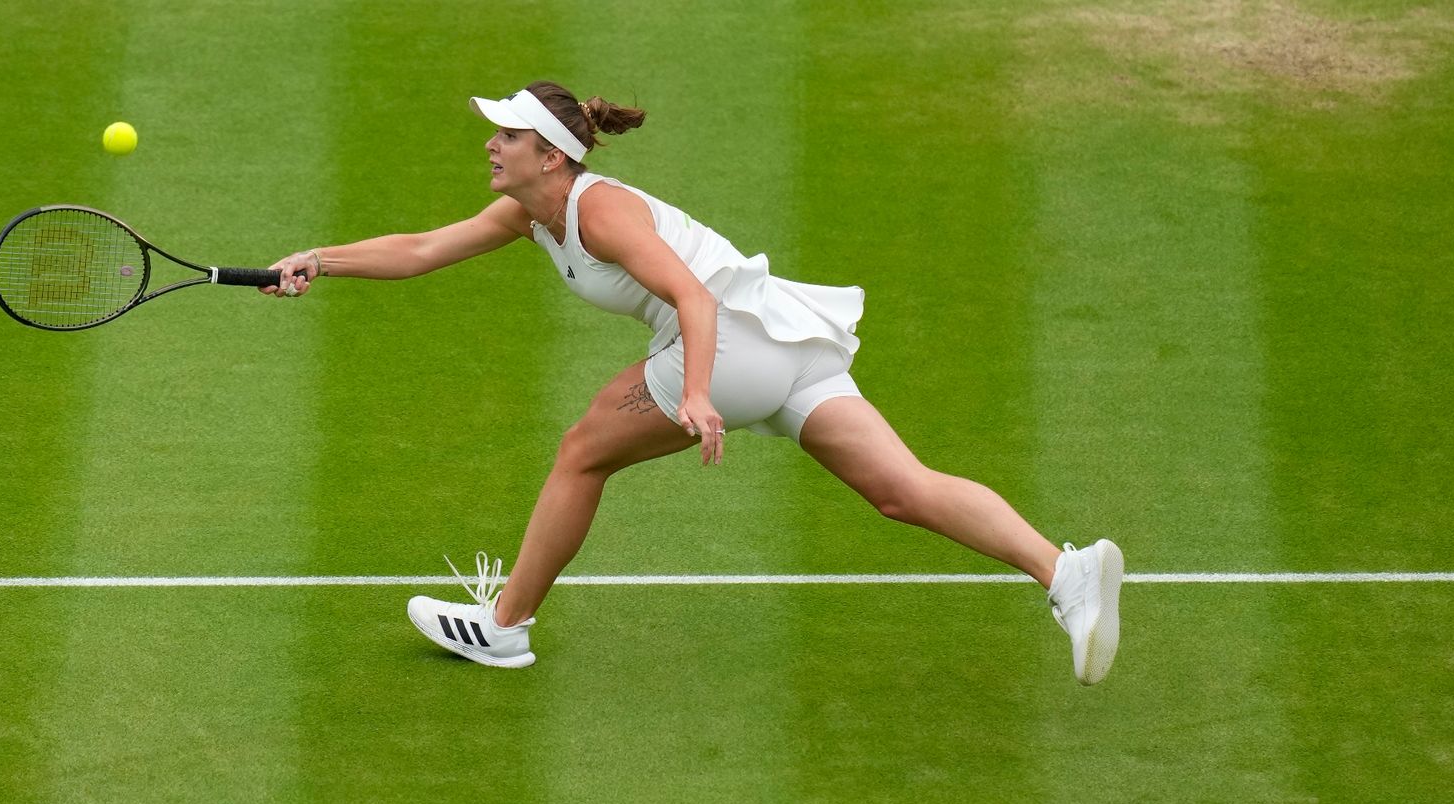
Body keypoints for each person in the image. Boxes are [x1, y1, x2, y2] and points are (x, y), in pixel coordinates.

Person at [266, 81, 1123, 685]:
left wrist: (701, 394)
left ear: (552, 156)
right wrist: (318, 261)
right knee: (901, 489)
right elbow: (420, 250)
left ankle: (505, 628)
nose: (490, 143)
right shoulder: (531, 212)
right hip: (785, 342)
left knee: (580, 452)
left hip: (726, 342)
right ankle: (1067, 573)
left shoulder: (600, 211)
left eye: (508, 135)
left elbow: (689, 296)